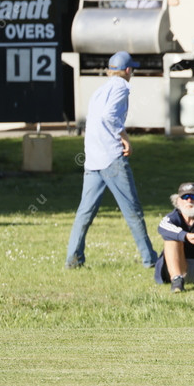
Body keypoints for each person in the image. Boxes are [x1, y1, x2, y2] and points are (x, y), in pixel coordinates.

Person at [66, 51, 158, 269]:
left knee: (85, 212)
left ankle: (74, 259)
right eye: (131, 70)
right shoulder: (121, 87)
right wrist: (124, 137)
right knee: (133, 210)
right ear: (127, 70)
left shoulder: (100, 90)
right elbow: (110, 116)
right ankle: (150, 259)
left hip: (92, 159)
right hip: (112, 158)